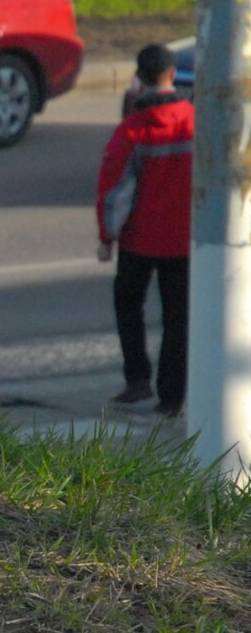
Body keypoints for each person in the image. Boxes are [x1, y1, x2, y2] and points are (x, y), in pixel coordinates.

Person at [95, 43, 194, 417]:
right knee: (177, 320)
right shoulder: (194, 121)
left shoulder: (132, 130)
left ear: (138, 77)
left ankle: (138, 380)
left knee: (128, 305)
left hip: (139, 241)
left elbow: (115, 191)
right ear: (171, 75)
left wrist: (107, 238)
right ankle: (172, 399)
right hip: (184, 243)